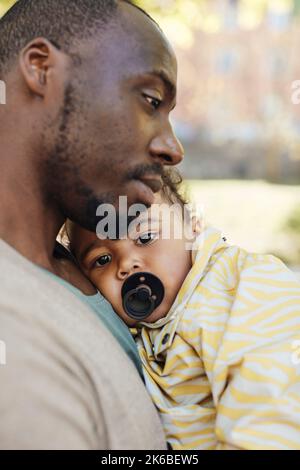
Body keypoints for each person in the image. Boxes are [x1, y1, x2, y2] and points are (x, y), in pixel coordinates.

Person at [0, 0, 184, 450]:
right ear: (42, 69)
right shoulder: (15, 339)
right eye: (151, 101)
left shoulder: (73, 264)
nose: (172, 147)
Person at [67, 169, 300, 450]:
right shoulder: (132, 336)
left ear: (193, 226)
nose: (127, 263)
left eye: (145, 237)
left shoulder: (241, 285)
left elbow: (273, 395)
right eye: (102, 259)